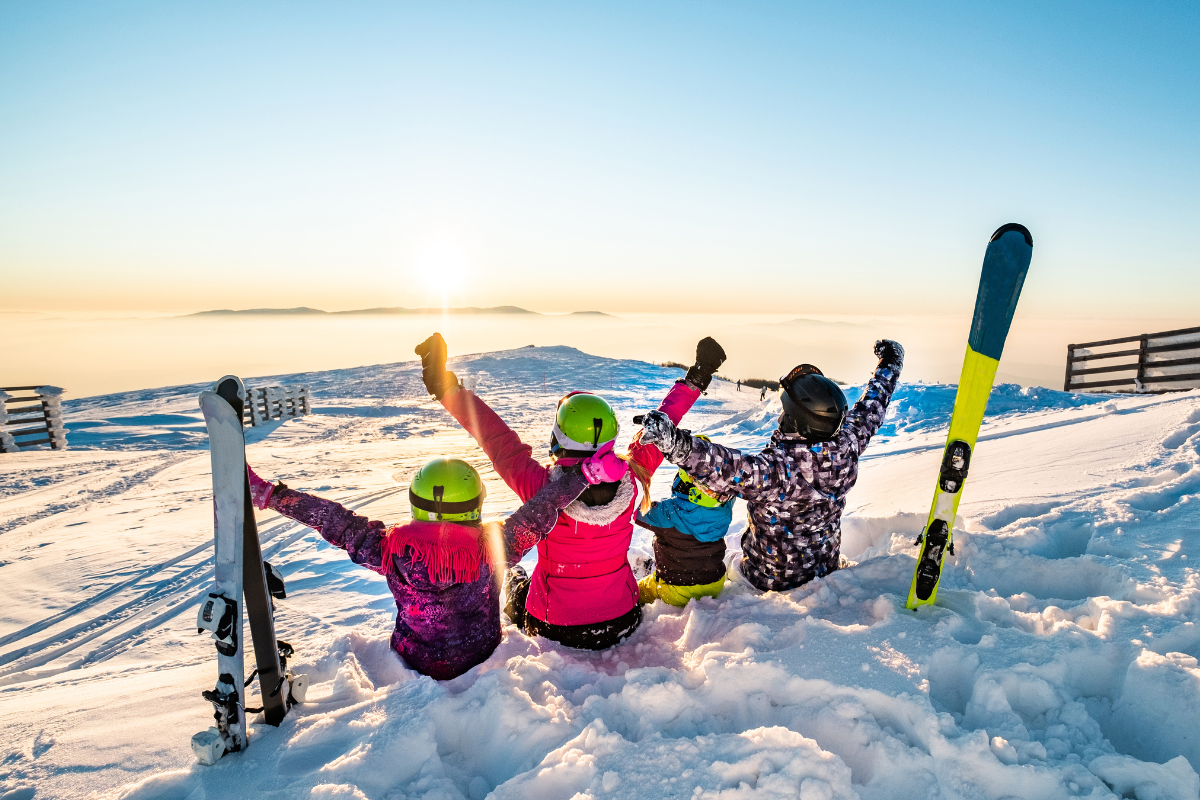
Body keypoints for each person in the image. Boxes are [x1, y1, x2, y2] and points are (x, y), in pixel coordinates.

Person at [415, 333, 726, 649]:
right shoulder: (632, 477)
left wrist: (445, 388)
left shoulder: (540, 488)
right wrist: (697, 377)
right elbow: (662, 426)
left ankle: (515, 585)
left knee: (516, 584)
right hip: (623, 618)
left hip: (555, 626)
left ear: (558, 438)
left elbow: (496, 438)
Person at [244, 455, 609, 679]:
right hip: (481, 653)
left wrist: (272, 495)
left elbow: (333, 519)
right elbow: (540, 511)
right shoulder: (493, 548)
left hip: (414, 659)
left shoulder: (389, 548)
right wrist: (583, 475)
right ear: (475, 504)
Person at [638, 339, 903, 592]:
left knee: (724, 565)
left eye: (786, 412)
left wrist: (673, 442)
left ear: (796, 422)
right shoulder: (848, 444)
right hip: (824, 567)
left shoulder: (777, 471)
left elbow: (723, 466)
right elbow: (872, 407)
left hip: (767, 578)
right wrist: (889, 364)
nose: (781, 416)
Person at [635, 434, 735, 606]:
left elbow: (636, 511)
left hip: (676, 589)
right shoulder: (724, 508)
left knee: (638, 591)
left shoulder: (669, 512)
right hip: (715, 583)